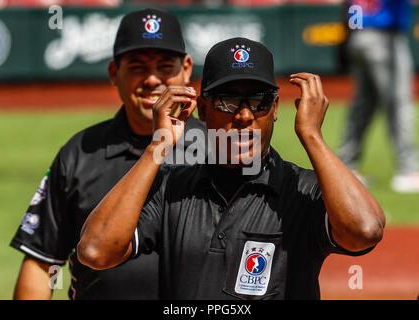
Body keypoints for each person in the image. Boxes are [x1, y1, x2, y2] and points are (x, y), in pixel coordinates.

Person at [77, 37, 385, 299]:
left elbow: (364, 231)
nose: (244, 116)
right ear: (203, 108)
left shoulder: (302, 190)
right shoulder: (171, 190)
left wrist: (313, 137)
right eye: (227, 101)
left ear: (275, 110)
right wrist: (156, 149)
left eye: (259, 101)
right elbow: (95, 251)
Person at [10, 8, 205, 300]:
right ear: (114, 73)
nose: (152, 79)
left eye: (165, 66)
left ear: (186, 69)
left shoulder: (218, 149)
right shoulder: (80, 153)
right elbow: (43, 262)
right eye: (138, 66)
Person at [339, 0, 419, 192]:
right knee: (397, 104)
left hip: (358, 35)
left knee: (362, 106)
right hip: (384, 39)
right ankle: (409, 170)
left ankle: (346, 166)